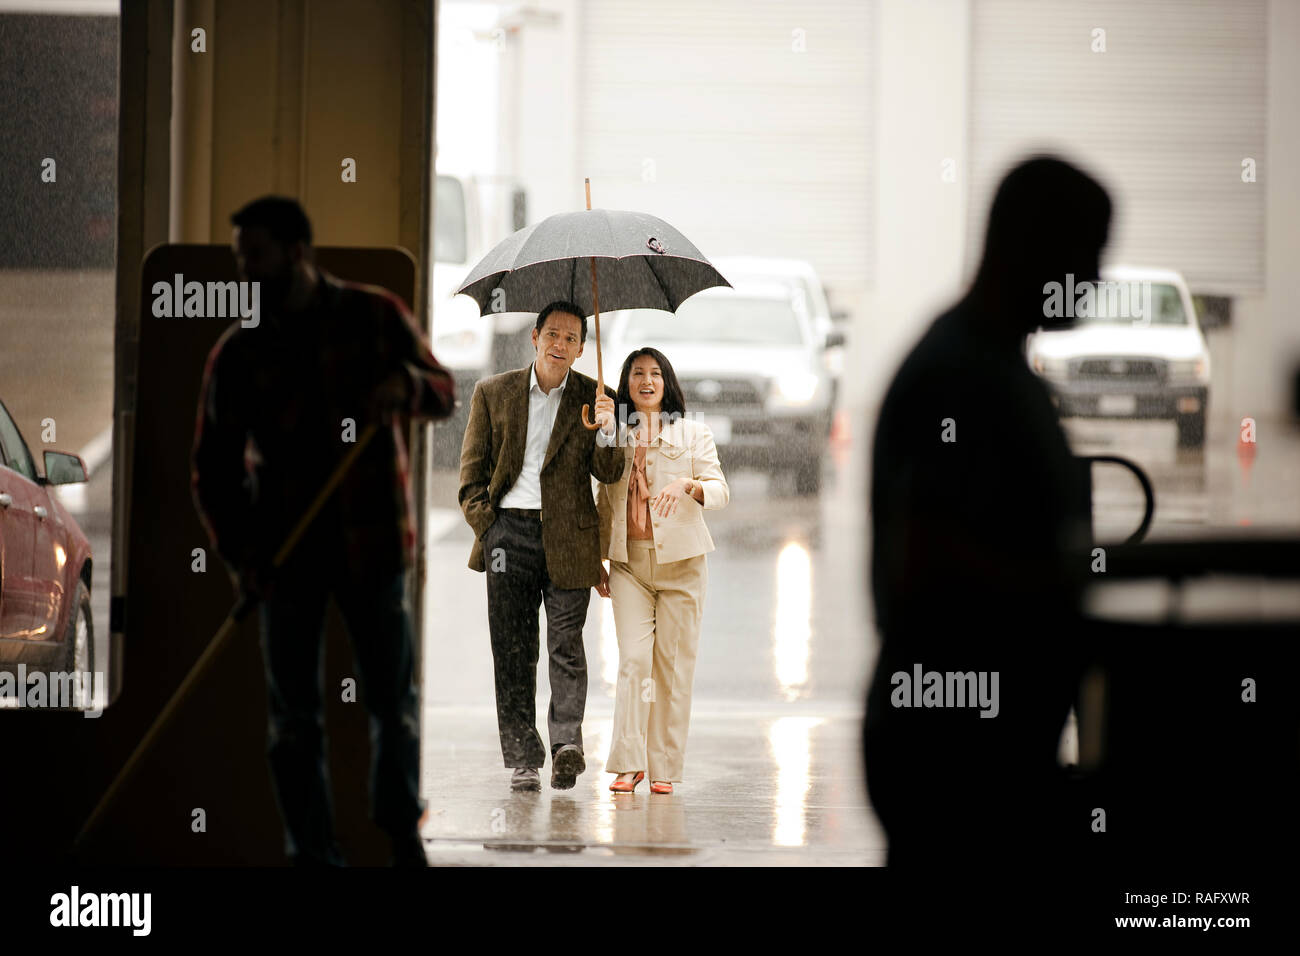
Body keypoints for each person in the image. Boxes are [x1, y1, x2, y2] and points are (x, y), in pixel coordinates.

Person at [191, 195, 455, 867]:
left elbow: (444, 391)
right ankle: (312, 856)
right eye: (239, 256)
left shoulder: (373, 316)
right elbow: (213, 470)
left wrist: (403, 382)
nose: (244, 268)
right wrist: (241, 556)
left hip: (374, 546)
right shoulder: (240, 351)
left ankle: (400, 833)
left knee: (393, 705)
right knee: (293, 723)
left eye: (255, 254)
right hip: (284, 557)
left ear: (297, 251)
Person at [863, 156, 1111, 868]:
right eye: (1087, 253)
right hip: (956, 761)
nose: (1094, 280)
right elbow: (934, 562)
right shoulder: (963, 376)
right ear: (1035, 246)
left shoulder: (985, 363)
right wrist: (1079, 611)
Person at [457, 301, 624, 792]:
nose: (560, 345)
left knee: (567, 649)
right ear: (534, 337)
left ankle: (567, 745)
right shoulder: (494, 392)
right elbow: (471, 478)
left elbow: (610, 472)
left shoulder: (596, 399)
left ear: (581, 349)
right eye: (552, 334)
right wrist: (489, 530)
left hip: (570, 541)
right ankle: (524, 759)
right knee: (514, 652)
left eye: (571, 338)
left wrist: (610, 429)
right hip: (508, 535)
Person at [595, 348, 729, 794]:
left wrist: (690, 484)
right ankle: (628, 763)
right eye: (637, 373)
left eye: (655, 373)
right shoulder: (613, 435)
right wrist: (599, 557)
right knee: (634, 663)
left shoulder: (693, 434)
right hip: (629, 565)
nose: (646, 381)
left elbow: (720, 490)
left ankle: (665, 767)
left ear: (667, 383)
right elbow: (603, 498)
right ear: (626, 383)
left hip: (683, 567)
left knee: (670, 669)